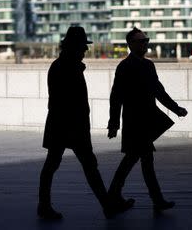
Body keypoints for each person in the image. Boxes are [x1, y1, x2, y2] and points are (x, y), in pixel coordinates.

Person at [38, 26, 132, 220]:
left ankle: (45, 205)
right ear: (74, 47)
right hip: (70, 127)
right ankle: (106, 206)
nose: (86, 50)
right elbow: (68, 103)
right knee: (84, 166)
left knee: (56, 165)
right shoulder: (67, 68)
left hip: (63, 126)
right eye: (83, 46)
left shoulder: (62, 66)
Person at [107, 27, 188, 214]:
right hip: (135, 123)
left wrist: (176, 109)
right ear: (131, 44)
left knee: (138, 160)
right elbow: (116, 97)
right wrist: (114, 124)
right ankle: (150, 199)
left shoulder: (148, 65)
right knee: (139, 160)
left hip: (144, 123)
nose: (145, 44)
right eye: (141, 41)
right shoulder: (125, 67)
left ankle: (117, 196)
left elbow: (159, 91)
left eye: (146, 40)